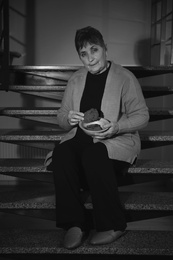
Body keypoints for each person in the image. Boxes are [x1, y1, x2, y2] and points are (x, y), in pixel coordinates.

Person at [51, 26, 149, 249]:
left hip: (115, 139)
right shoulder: (75, 80)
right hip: (80, 136)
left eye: (94, 50)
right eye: (83, 54)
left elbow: (142, 116)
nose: (90, 58)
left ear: (105, 48)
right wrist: (69, 118)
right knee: (62, 153)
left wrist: (115, 127)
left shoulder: (125, 77)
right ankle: (75, 224)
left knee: (94, 154)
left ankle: (113, 225)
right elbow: (61, 117)